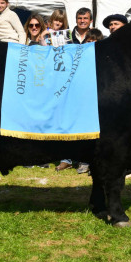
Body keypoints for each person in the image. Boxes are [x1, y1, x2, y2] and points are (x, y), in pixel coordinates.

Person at [55, 9, 93, 174]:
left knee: (85, 122)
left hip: (88, 84)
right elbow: (52, 50)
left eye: (85, 18)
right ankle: (66, 158)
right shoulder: (66, 35)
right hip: (68, 84)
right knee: (66, 120)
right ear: (75, 19)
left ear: (90, 20)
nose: (82, 20)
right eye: (79, 18)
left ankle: (85, 159)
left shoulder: (96, 36)